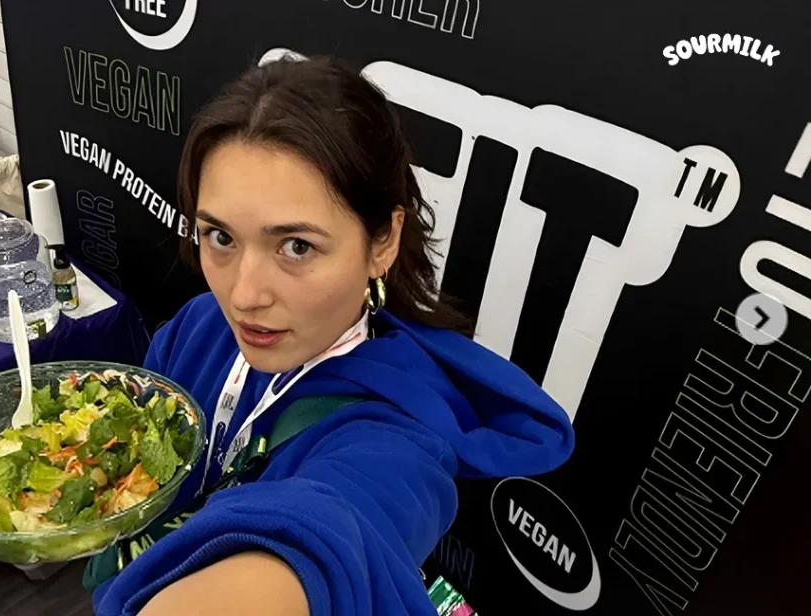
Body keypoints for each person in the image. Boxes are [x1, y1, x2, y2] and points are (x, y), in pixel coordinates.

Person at [89, 55, 574, 616]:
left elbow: (336, 528)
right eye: (219, 236)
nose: (244, 295)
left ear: (383, 242)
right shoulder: (198, 327)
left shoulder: (399, 433)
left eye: (297, 246)